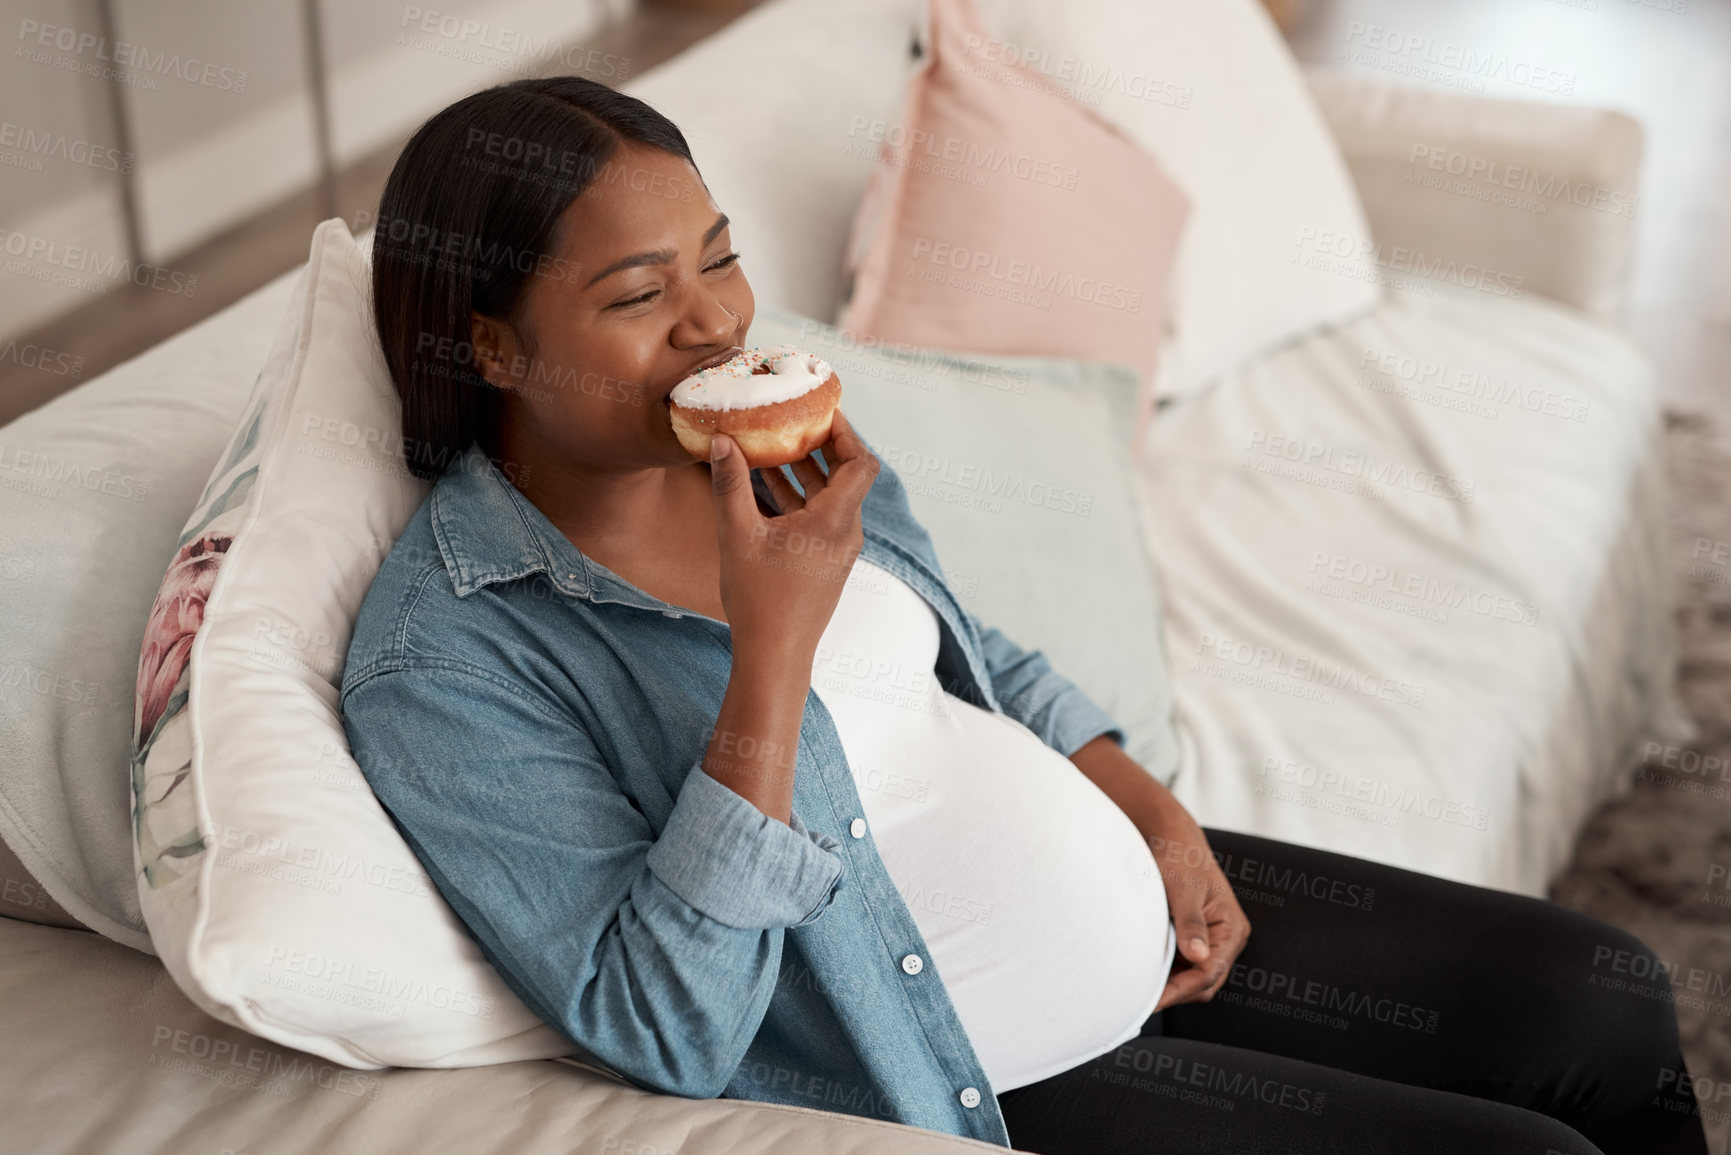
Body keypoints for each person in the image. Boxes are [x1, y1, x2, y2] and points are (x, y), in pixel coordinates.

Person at [339, 75, 1710, 1155]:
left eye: (719, 259)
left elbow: (969, 660)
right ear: (493, 346)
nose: (714, 324)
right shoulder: (446, 656)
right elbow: (662, 1023)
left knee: (1605, 990)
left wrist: (1150, 812)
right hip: (957, 1068)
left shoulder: (769, 449)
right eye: (638, 296)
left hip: (1127, 914)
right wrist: (772, 657)